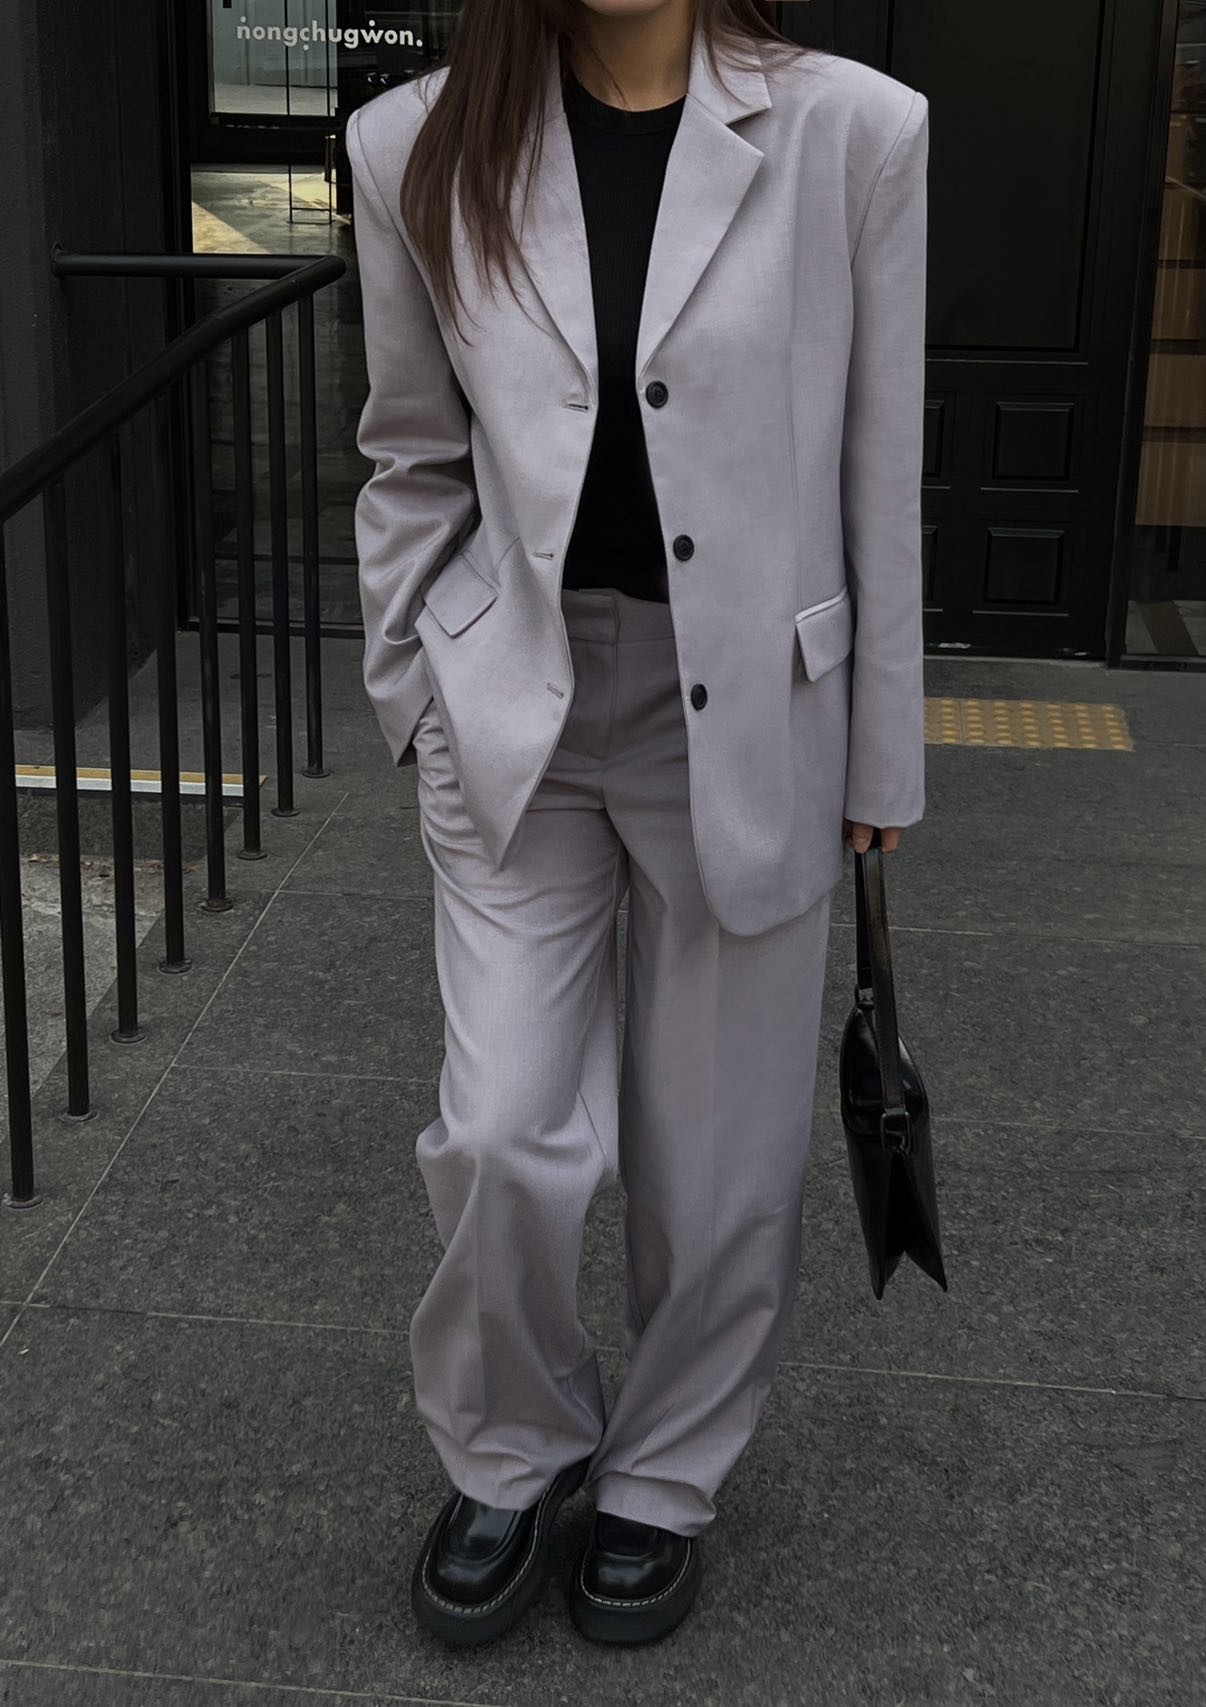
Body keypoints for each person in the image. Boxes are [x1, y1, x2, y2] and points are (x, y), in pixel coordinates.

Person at [345, 0, 928, 1651]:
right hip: (515, 702)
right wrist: (413, 684)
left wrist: (882, 757)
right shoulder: (415, 145)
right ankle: (511, 1450)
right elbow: (409, 451)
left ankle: (665, 1475)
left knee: (723, 1150)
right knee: (500, 1129)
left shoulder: (857, 133)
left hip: (749, 710)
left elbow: (878, 465)